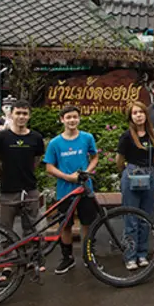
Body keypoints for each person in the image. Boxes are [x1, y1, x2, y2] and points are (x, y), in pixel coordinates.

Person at [44, 105, 99, 274]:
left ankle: (88, 257)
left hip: (85, 190)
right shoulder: (55, 143)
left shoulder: (87, 138)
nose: (72, 120)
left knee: (87, 224)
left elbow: (95, 156)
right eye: (68, 117)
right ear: (62, 120)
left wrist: (87, 172)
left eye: (75, 117)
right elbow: (49, 167)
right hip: (64, 191)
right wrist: (67, 177)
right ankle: (67, 258)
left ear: (79, 118)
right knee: (65, 225)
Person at [117, 101, 154, 270]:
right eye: (135, 113)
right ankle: (130, 255)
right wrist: (129, 172)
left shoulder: (153, 134)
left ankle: (142, 254)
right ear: (130, 116)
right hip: (132, 175)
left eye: (141, 112)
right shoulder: (126, 136)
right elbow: (119, 161)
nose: (138, 115)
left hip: (148, 175)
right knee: (131, 218)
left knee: (146, 217)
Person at [0, 100, 44, 237]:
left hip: (30, 190)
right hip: (8, 191)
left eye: (25, 114)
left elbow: (36, 161)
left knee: (31, 231)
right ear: (12, 115)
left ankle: (31, 257)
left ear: (29, 116)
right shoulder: (1, 137)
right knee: (5, 231)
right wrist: (3, 180)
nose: (21, 117)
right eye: (18, 113)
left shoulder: (36, 138)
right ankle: (8, 258)